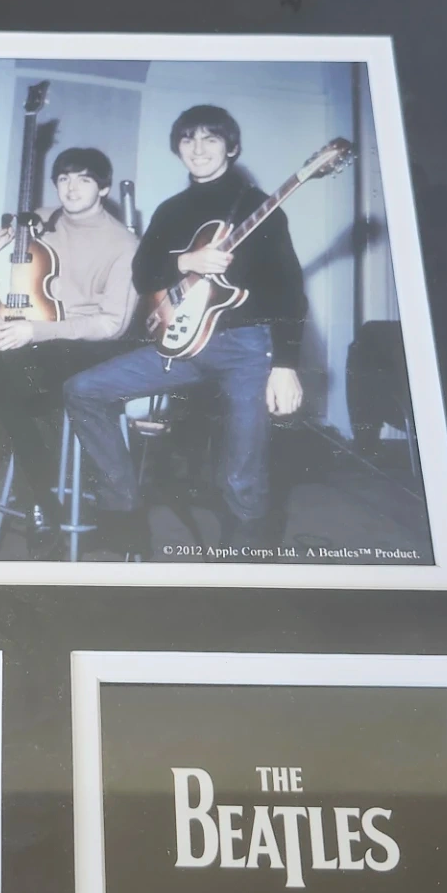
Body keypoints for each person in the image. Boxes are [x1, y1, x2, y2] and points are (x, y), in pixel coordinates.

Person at [64, 105, 308, 558]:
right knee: (83, 390)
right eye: (188, 139)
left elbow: (288, 289)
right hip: (180, 344)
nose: (198, 148)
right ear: (178, 148)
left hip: (246, 347)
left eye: (210, 139)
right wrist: (185, 261)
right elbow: (143, 275)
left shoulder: (258, 206)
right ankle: (123, 511)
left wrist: (286, 364)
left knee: (242, 474)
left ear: (231, 148)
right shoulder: (172, 209)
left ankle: (241, 569)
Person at [0, 147, 140, 557]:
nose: (71, 188)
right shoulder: (37, 221)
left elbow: (111, 325)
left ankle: (41, 501)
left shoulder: (124, 244)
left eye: (84, 179)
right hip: (30, 341)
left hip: (84, 345)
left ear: (103, 188)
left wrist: (36, 332)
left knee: (4, 377)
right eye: (64, 178)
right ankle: (43, 498)